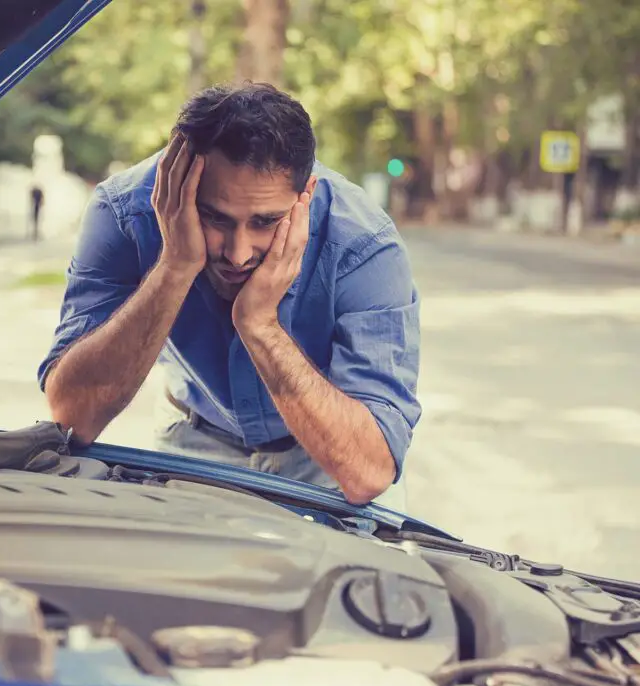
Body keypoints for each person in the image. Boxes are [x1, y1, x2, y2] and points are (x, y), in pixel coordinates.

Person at [37, 82, 421, 510]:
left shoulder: (364, 244)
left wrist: (260, 326)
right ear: (176, 180)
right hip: (193, 440)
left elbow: (367, 472)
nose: (237, 254)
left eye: (265, 221)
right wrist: (174, 267)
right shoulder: (125, 213)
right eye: (213, 217)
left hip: (323, 457)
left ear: (304, 195)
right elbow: (72, 418)